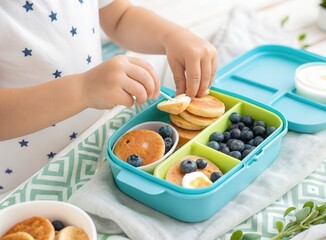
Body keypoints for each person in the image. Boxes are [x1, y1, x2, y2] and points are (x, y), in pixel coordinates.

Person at [0, 0, 217, 196]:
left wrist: (171, 36)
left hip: (96, 149)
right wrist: (83, 89)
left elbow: (119, 16)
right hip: (23, 184)